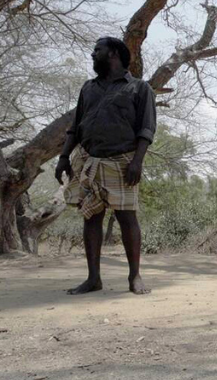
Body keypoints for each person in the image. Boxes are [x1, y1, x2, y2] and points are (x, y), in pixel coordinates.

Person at [55, 37, 156, 295]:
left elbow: (146, 129)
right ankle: (93, 279)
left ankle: (135, 277)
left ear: (113, 53)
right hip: (89, 160)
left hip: (122, 161)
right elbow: (75, 127)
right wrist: (64, 157)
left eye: (97, 50)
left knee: (127, 217)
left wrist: (137, 162)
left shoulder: (139, 88)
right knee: (91, 217)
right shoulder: (88, 88)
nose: (92, 54)